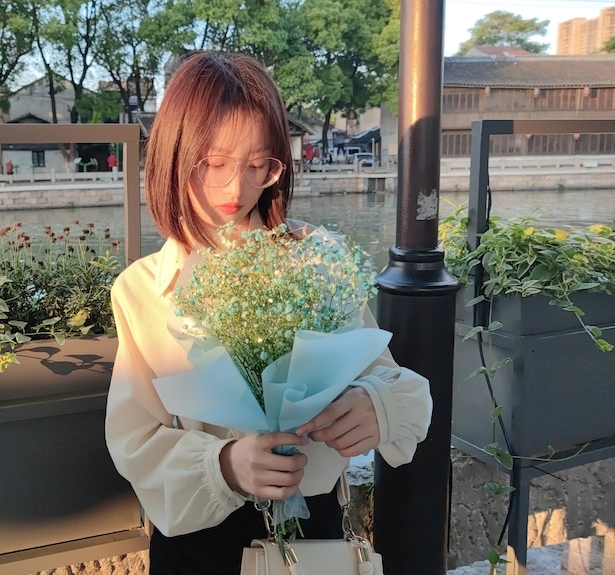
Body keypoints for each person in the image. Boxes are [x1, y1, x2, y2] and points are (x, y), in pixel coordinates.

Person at [105, 51, 432, 575]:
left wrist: (376, 407)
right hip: (199, 543)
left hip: (317, 540)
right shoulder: (143, 289)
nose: (236, 188)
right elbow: (134, 439)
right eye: (212, 162)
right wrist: (225, 465)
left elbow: (391, 379)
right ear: (172, 156)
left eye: (258, 163)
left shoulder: (315, 257)